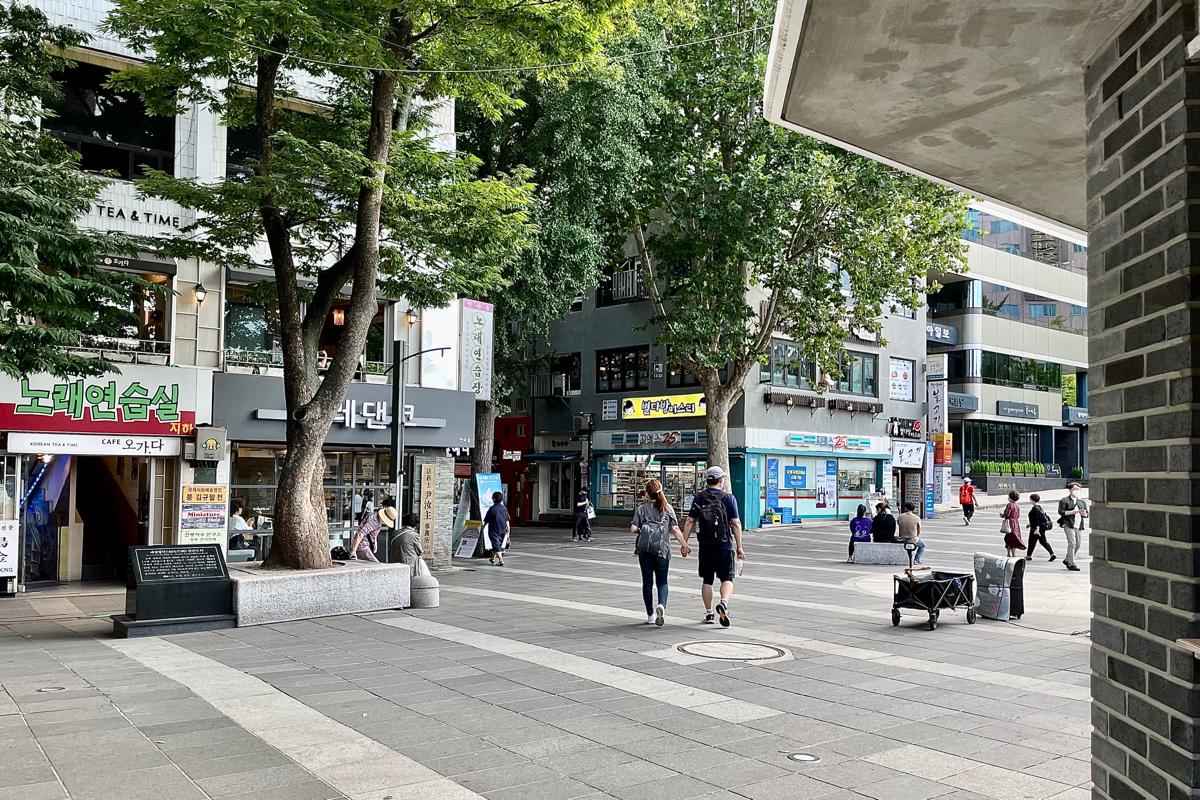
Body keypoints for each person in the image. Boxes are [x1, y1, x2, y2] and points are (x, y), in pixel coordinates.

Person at [681, 466, 744, 627]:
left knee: (707, 580)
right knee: (727, 578)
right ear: (721, 480)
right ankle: (723, 603)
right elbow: (735, 523)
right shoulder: (729, 499)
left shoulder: (699, 498)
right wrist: (739, 546)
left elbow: (689, 521)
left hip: (706, 546)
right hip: (725, 546)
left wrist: (684, 543)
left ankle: (709, 613)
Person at [630, 479, 690, 626]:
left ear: (647, 493)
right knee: (662, 582)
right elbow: (675, 529)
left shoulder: (642, 509)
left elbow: (633, 528)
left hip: (645, 550)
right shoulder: (667, 508)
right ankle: (662, 605)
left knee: (647, 583)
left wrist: (641, 530)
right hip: (662, 550)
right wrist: (685, 545)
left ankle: (650, 615)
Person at [1058, 482, 1085, 571]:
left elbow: (1086, 514)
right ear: (1070, 490)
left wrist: (1083, 513)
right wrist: (1073, 512)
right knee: (1072, 543)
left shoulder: (1081, 502)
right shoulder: (1064, 500)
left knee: (1078, 545)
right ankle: (1071, 563)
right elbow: (1061, 512)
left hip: (1079, 525)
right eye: (1075, 489)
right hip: (1068, 524)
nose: (1077, 491)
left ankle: (1067, 559)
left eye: (1078, 489)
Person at [1026, 493, 1057, 562]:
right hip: (1041, 527)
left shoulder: (1035, 509)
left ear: (1033, 500)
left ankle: (1029, 556)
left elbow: (1036, 520)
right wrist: (1029, 524)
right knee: (1043, 541)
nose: (1030, 500)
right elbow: (1037, 518)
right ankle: (1052, 554)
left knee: (1031, 542)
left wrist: (1037, 529)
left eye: (1030, 499)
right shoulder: (1039, 507)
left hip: (1036, 528)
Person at [483, 491, 510, 566]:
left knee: (496, 545)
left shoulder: (492, 509)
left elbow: (486, 520)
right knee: (497, 544)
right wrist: (508, 529)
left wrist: (483, 527)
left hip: (493, 530)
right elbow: (507, 519)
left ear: (494, 499)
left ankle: (501, 560)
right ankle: (492, 558)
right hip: (503, 530)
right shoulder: (504, 508)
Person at [1002, 490, 1025, 557]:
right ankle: (1013, 554)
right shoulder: (1017, 505)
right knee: (1014, 538)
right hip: (1016, 523)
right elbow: (1018, 515)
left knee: (1008, 538)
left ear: (1010, 498)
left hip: (1010, 523)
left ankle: (1009, 553)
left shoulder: (1010, 505)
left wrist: (1002, 515)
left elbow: (1007, 514)